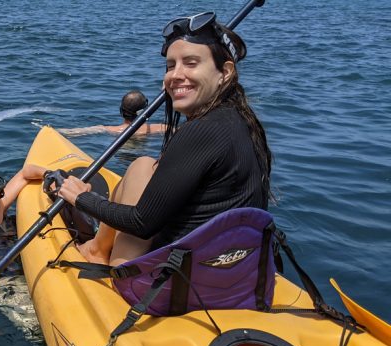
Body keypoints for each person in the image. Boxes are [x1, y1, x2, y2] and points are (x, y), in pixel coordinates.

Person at [56, 12, 272, 267]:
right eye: (171, 66)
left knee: (140, 166)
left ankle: (97, 252)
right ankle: (97, 248)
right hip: (230, 273)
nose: (174, 75)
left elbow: (141, 223)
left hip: (172, 288)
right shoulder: (241, 122)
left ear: (225, 72)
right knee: (145, 164)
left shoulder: (201, 131)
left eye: (191, 63)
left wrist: (81, 198)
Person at [58, 90, 166, 137]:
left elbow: (71, 132)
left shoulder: (108, 129)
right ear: (145, 111)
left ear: (121, 111)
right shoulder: (160, 128)